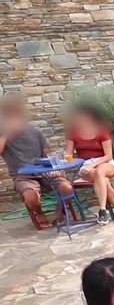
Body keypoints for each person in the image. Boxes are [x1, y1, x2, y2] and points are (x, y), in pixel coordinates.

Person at [0, 94, 73, 229]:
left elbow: (47, 154)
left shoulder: (35, 132)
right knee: (30, 196)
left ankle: (61, 210)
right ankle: (39, 213)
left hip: (44, 172)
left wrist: (56, 169)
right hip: (22, 176)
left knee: (66, 188)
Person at [65, 103, 114, 225]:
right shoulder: (73, 134)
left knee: (99, 171)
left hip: (105, 162)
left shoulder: (101, 132)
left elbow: (108, 156)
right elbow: (68, 155)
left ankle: (102, 210)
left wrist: (92, 165)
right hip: (85, 164)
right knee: (103, 180)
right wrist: (66, 157)